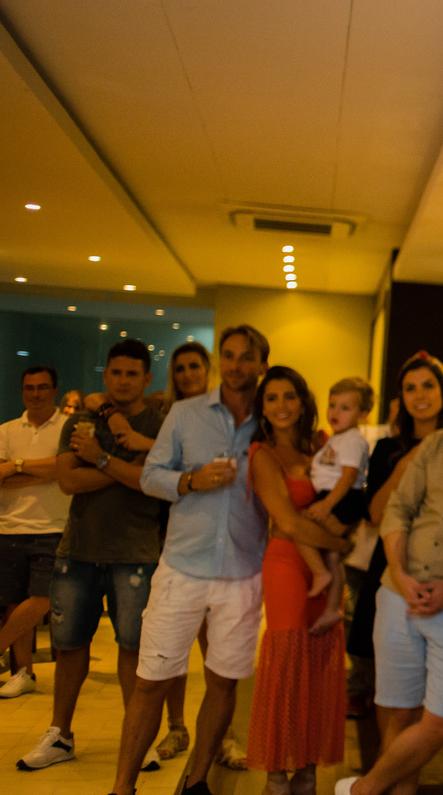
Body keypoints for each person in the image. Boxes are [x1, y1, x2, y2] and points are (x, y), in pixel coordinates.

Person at [110, 325, 270, 795]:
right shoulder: (185, 413)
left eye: (247, 357)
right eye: (229, 355)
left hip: (243, 574)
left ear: (262, 364)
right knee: (151, 680)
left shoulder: (272, 421)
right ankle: (121, 788)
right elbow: (150, 476)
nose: (236, 365)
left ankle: (197, 781)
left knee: (223, 683)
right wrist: (190, 481)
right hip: (181, 569)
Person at [335, 344, 443, 795]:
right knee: (395, 710)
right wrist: (402, 578)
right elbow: (396, 510)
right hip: (397, 591)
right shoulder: (435, 445)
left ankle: (364, 789)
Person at [17, 341, 166, 770]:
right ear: (106, 375)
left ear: (146, 379)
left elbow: (152, 481)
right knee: (69, 647)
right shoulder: (79, 420)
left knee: (133, 648)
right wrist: (126, 468)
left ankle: (137, 737)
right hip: (78, 549)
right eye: (115, 372)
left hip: (135, 552)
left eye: (132, 374)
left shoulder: (157, 425)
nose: (123, 380)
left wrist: (98, 458)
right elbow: (68, 481)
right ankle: (60, 735)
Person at [246, 366, 356, 795]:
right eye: (271, 398)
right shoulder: (263, 455)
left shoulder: (324, 444)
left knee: (320, 663)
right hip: (288, 564)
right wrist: (342, 545)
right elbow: (289, 523)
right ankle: (277, 773)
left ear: (303, 401)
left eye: (289, 396)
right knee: (287, 662)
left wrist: (340, 542)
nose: (281, 406)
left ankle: (307, 771)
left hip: (325, 563)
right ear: (262, 408)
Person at [345, 353, 443, 734]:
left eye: (428, 386)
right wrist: (412, 459)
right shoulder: (387, 449)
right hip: (392, 566)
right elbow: (376, 513)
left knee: (439, 701)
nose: (419, 395)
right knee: (393, 692)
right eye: (410, 388)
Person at [0, 365, 69, 699]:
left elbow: (64, 468)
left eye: (42, 387)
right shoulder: (6, 430)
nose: (36, 394)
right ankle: (23, 673)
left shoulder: (68, 427)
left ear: (54, 390)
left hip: (55, 526)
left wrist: (15, 467)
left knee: (42, 597)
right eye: (30, 388)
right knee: (14, 602)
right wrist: (45, 470)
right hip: (9, 526)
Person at [299, 376, 375, 634]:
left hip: (342, 498)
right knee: (333, 555)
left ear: (362, 415)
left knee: (300, 526)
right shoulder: (336, 438)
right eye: (332, 405)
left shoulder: (352, 439)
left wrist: (327, 505)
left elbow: (349, 476)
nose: (335, 412)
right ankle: (333, 608)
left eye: (345, 407)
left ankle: (320, 572)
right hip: (335, 496)